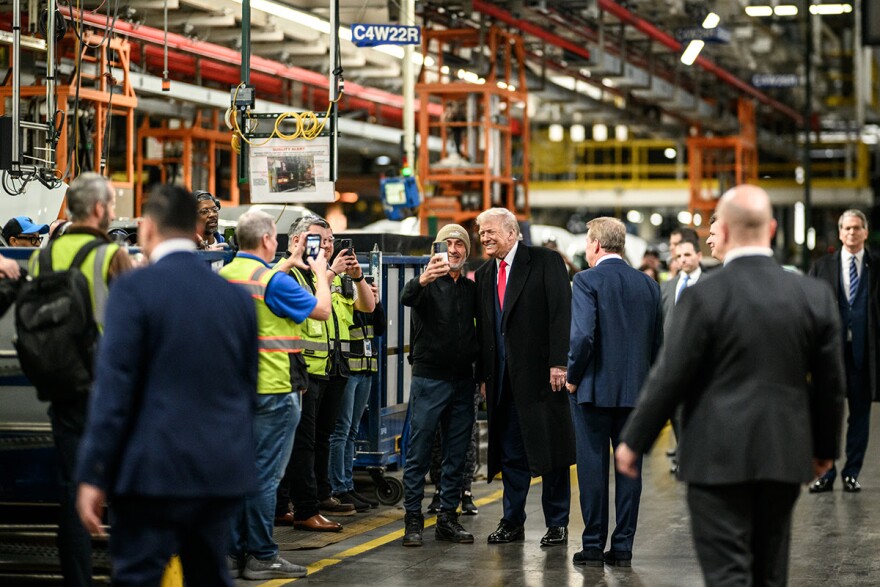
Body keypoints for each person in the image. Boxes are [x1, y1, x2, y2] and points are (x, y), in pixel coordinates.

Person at [616, 184, 845, 587]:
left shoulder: (703, 297)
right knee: (769, 573)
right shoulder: (812, 294)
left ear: (722, 234)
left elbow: (672, 375)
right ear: (772, 228)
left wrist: (635, 440)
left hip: (715, 458)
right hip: (782, 455)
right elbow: (831, 384)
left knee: (727, 575)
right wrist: (825, 451)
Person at [74, 185, 255, 586]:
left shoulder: (134, 291)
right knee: (210, 576)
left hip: (151, 473)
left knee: (138, 576)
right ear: (194, 228)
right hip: (218, 472)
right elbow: (246, 392)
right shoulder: (235, 300)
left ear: (147, 228)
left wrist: (93, 474)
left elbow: (113, 392)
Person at [29, 172, 133, 586]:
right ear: (97, 209)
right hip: (107, 386)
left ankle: (78, 580)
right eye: (110, 204)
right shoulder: (111, 255)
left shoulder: (43, 256)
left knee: (73, 486)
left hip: (62, 384)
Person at [221, 210, 331, 579]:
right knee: (265, 478)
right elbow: (321, 310)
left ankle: (235, 552)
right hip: (275, 389)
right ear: (269, 239)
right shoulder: (273, 282)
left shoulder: (224, 275)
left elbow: (263, 286)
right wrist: (318, 273)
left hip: (236, 391)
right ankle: (263, 556)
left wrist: (288, 261)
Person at [565, 217, 663, 568]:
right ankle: (622, 546)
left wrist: (573, 377)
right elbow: (657, 345)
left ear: (595, 244)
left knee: (592, 471)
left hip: (593, 392)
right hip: (636, 395)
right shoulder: (648, 285)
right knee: (629, 471)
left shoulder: (586, 280)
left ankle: (592, 545)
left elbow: (582, 338)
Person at [474, 207, 575, 547]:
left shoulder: (545, 261)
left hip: (543, 379)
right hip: (502, 381)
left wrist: (559, 363)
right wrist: (485, 377)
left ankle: (558, 523)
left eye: (490, 231)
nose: (484, 237)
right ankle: (512, 520)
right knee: (511, 456)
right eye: (481, 232)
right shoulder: (486, 272)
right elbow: (487, 330)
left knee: (552, 453)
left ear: (512, 232)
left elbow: (562, 313)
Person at [277, 216, 375, 531]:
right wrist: (328, 273)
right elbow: (315, 312)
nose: (328, 246)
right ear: (297, 242)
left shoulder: (325, 276)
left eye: (330, 240)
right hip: (303, 371)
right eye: (319, 240)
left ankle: (317, 497)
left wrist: (355, 277)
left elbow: (369, 307)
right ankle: (301, 507)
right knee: (301, 443)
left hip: (332, 367)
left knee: (320, 439)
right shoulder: (290, 275)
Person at [399, 223, 479, 547]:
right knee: (418, 452)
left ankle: (448, 517)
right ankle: (413, 520)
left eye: (459, 244)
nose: (454, 250)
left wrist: (482, 377)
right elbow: (406, 297)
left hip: (463, 382)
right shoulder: (425, 284)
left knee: (456, 454)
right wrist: (423, 278)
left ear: (466, 251)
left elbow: (483, 334)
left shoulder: (472, 290)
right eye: (447, 244)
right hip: (429, 380)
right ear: (436, 249)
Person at [808, 209, 879, 493]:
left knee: (860, 414)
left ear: (865, 231)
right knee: (828, 414)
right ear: (840, 233)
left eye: (857, 228)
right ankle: (826, 473)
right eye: (846, 228)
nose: (851, 233)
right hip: (830, 355)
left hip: (865, 353)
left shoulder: (877, 266)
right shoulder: (822, 267)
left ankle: (852, 473)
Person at [329, 281, 385, 511]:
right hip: (348, 371)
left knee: (351, 430)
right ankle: (338, 488)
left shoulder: (364, 295)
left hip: (365, 370)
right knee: (341, 430)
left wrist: (376, 300)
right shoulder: (339, 295)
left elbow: (379, 328)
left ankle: (347, 485)